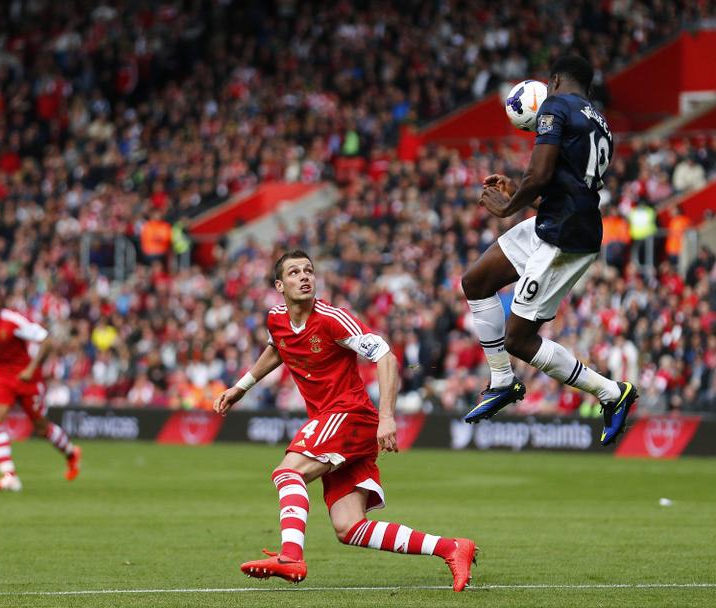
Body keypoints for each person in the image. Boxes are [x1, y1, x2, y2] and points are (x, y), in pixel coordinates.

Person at [214, 250, 477, 592]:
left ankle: (291, 556)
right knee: (349, 527)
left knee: (288, 473)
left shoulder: (332, 319)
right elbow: (278, 346)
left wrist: (387, 417)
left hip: (349, 415)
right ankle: (452, 548)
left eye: (309, 270)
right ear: (279, 286)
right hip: (338, 424)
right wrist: (241, 387)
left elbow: (385, 355)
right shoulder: (276, 319)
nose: (304, 276)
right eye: (294, 272)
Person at [461, 55, 638, 445]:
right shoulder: (600, 122)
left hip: (564, 238)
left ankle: (612, 392)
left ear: (554, 80)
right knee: (475, 281)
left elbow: (539, 174)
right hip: (558, 221)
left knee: (518, 340)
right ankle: (502, 380)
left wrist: (508, 207)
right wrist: (519, 193)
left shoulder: (556, 105)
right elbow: (569, 191)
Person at [0, 284, 81, 491]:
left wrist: (31, 368)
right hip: (1, 377)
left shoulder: (13, 321)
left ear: (0, 303)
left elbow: (46, 341)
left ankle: (71, 452)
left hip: (26, 378)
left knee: (41, 428)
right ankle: (9, 475)